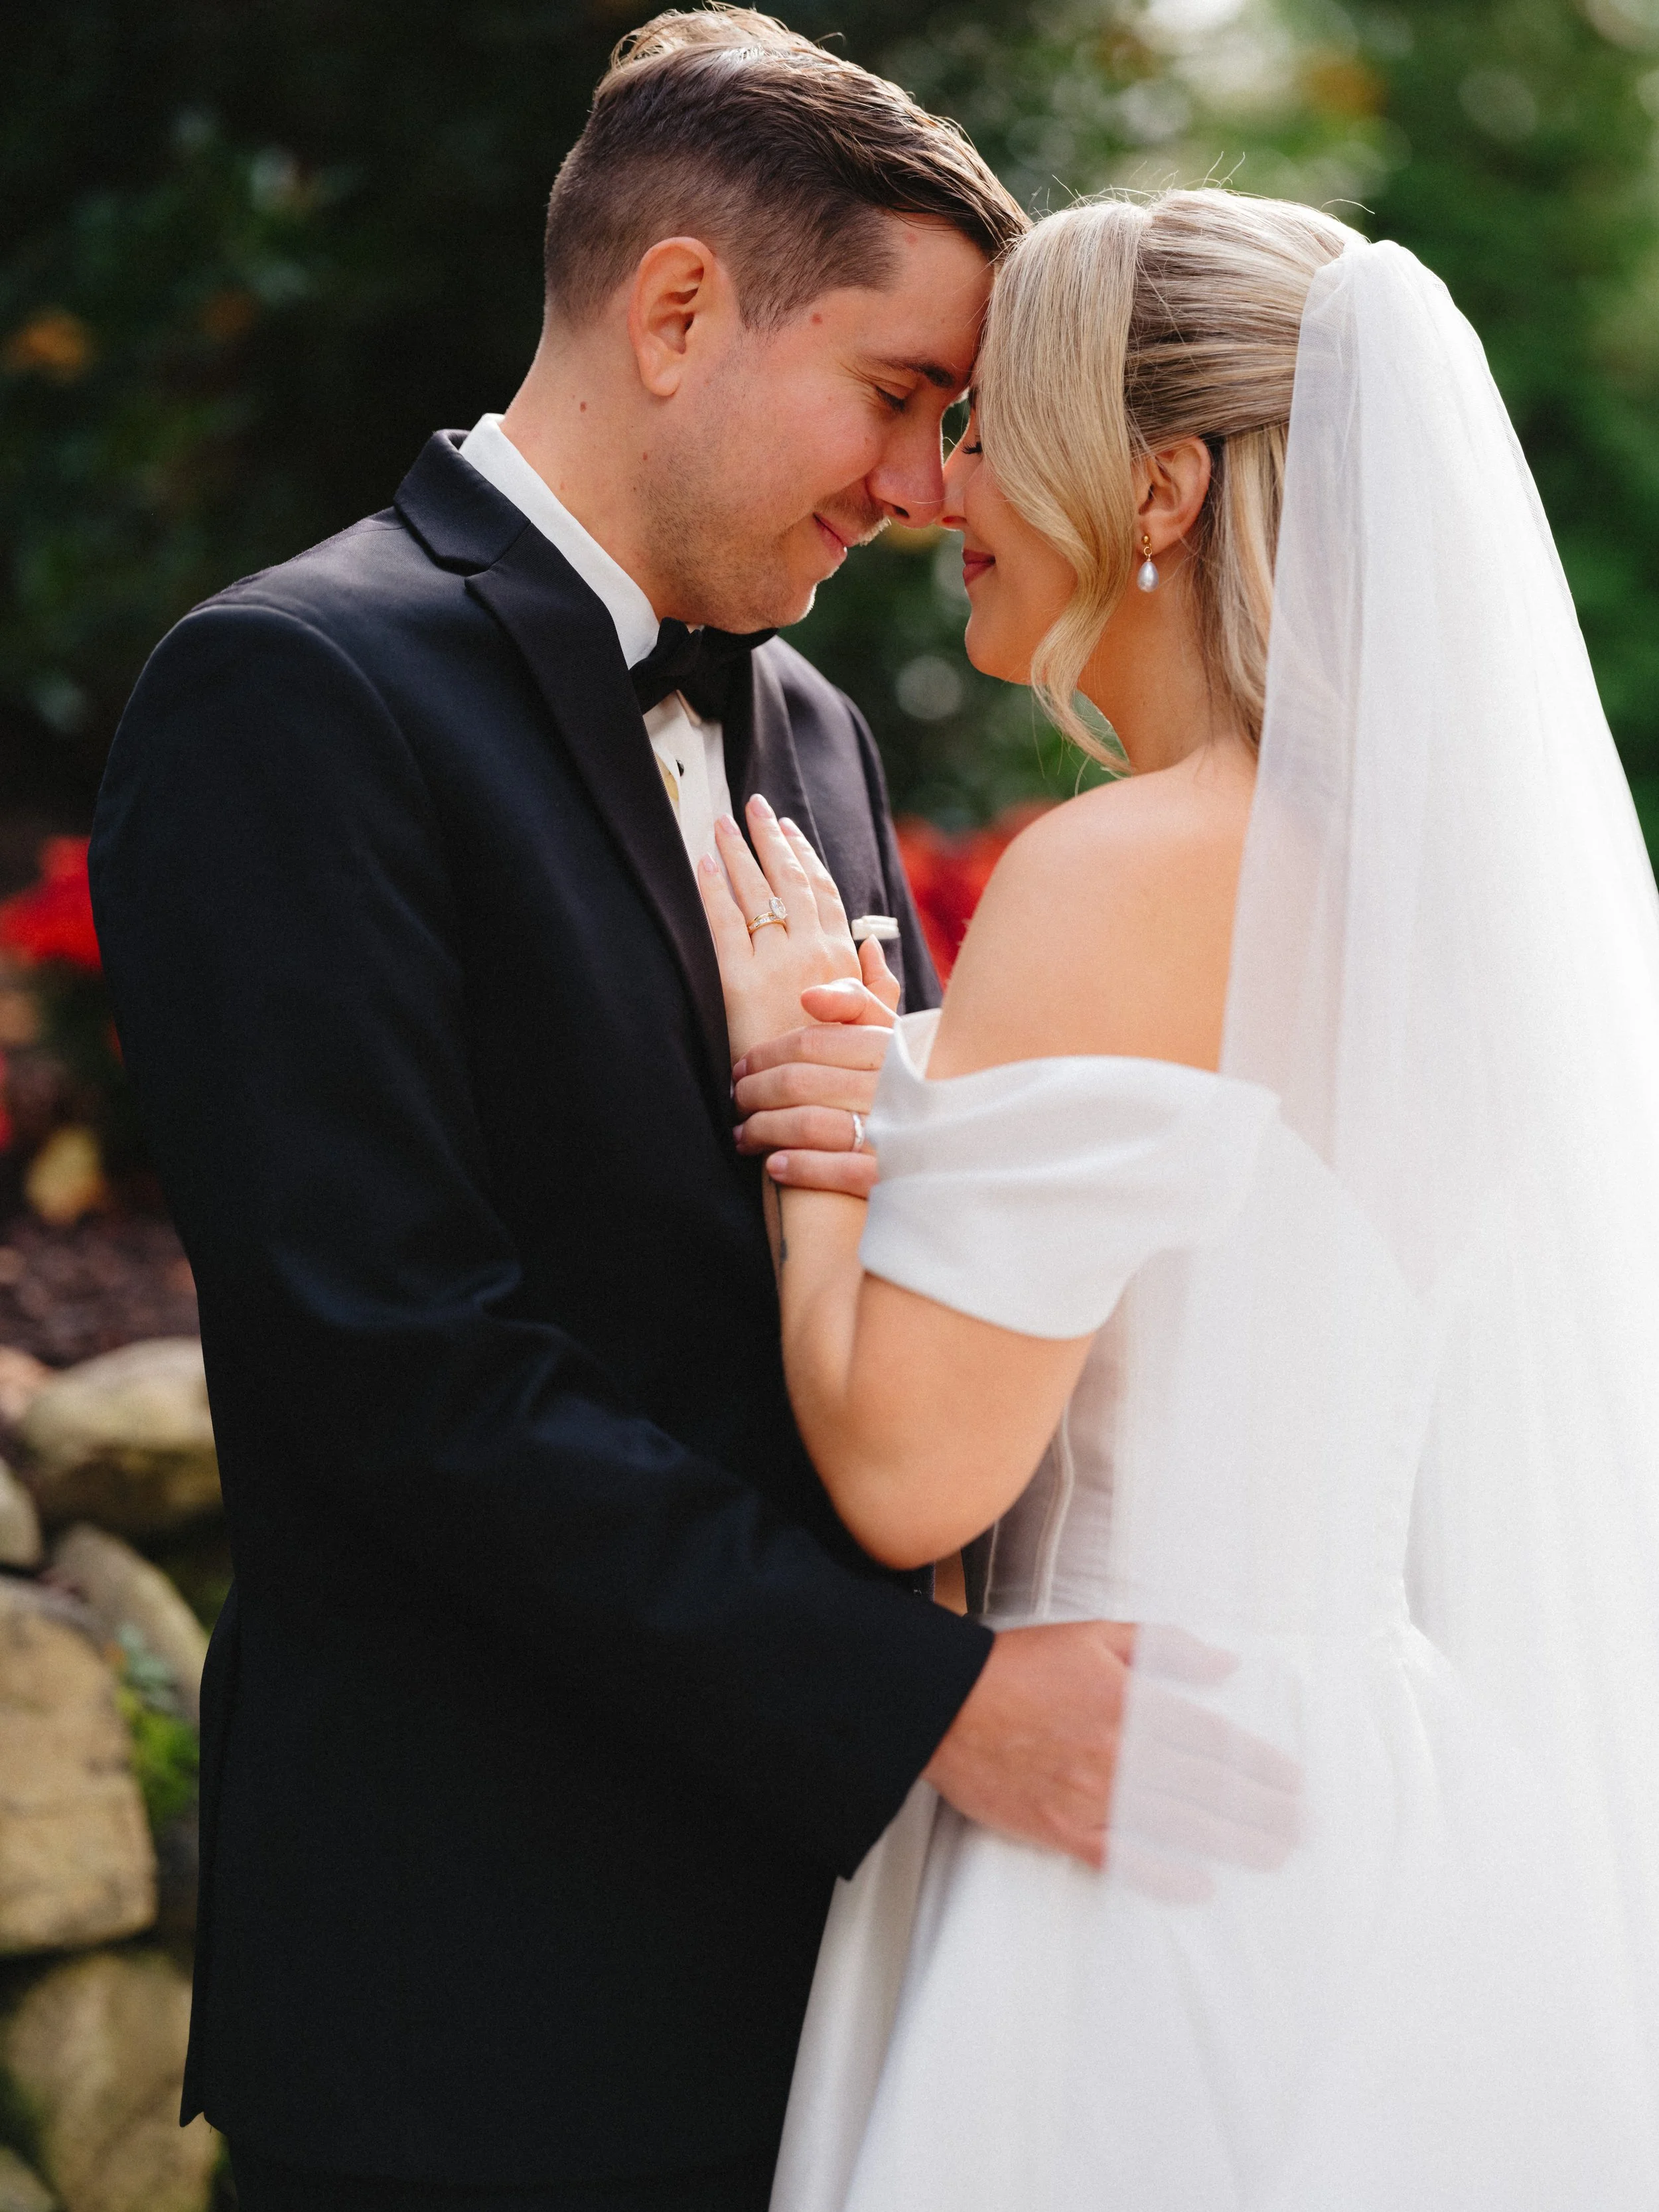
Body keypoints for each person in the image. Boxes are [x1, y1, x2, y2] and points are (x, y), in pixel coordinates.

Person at [84, 17, 1281, 2211]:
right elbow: (397, 1370)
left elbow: (909, 1259)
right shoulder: (290, 693)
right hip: (481, 1981)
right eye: (904, 396)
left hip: (825, 1958)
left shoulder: (811, 728)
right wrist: (925, 1708)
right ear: (674, 311)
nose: (930, 486)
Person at [701, 188, 1659, 2208]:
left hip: (1137, 1834)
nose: (943, 477)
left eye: (992, 424)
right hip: (1380, 1807)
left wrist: (821, 1126)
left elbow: (903, 1473)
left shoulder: (1119, 867)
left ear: (1155, 482)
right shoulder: (1440, 898)